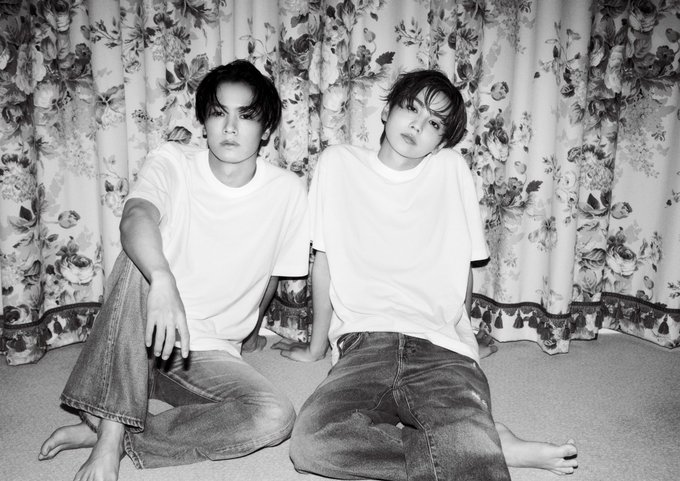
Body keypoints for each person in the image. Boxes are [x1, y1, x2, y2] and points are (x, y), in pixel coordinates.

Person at [275, 69, 578, 480]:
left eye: (434, 123)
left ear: (441, 141)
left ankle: (473, 445)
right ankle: (481, 447)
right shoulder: (338, 163)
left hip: (440, 346)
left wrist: (464, 333)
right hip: (364, 341)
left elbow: (461, 263)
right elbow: (324, 262)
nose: (418, 125)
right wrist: (316, 347)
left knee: (460, 441)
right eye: (411, 108)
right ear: (387, 111)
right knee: (313, 443)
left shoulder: (450, 168)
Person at [38, 60, 309, 481]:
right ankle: (110, 434)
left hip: (202, 355)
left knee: (275, 416)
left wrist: (252, 331)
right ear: (204, 121)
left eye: (246, 115)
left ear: (266, 127)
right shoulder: (174, 160)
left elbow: (273, 271)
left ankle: (118, 429)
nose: (230, 128)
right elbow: (136, 216)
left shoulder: (287, 191)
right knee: (137, 260)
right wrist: (162, 279)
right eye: (218, 113)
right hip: (140, 335)